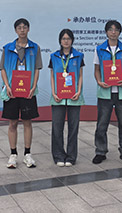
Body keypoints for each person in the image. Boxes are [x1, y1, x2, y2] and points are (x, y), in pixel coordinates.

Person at [0, 18, 42, 168]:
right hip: (12, 91)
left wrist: (33, 86)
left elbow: (37, 69)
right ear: (15, 30)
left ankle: (27, 154)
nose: (22, 30)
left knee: (27, 122)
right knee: (12, 123)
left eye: (24, 27)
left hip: (28, 91)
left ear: (28, 29)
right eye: (19, 28)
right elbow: (2, 69)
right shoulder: (7, 48)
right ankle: (13, 155)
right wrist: (7, 86)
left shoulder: (35, 48)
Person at [93, 20, 122, 164]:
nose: (113, 32)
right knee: (102, 124)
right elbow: (97, 69)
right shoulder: (99, 49)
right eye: (110, 30)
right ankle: (100, 152)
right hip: (105, 92)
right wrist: (99, 81)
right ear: (106, 32)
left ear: (119, 32)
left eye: (116, 30)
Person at [49, 29, 84, 166]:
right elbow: (52, 76)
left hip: (74, 97)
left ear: (72, 40)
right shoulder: (54, 56)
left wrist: (79, 91)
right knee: (57, 127)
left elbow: (80, 75)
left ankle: (71, 156)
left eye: (68, 38)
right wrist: (53, 93)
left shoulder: (79, 56)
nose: (66, 41)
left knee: (73, 128)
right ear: (60, 41)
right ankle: (58, 155)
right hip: (58, 97)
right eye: (63, 39)